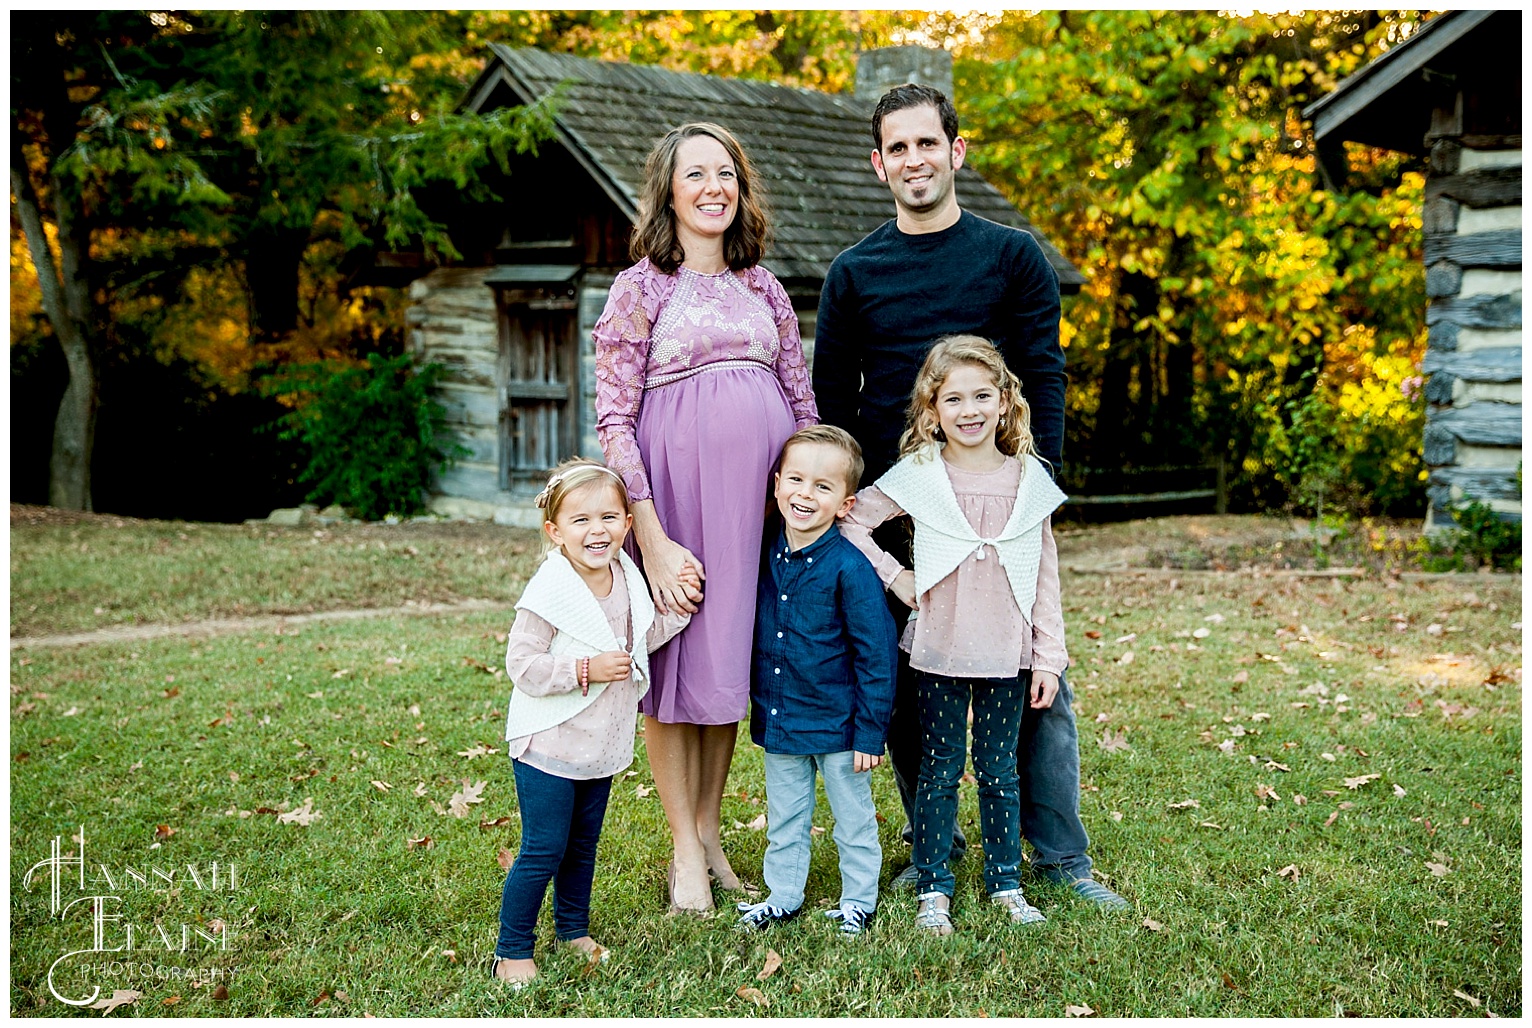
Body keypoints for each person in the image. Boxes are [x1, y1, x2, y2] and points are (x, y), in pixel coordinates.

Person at [813, 83, 1126, 909]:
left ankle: (1062, 858)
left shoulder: (1012, 256)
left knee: (1036, 674)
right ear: (879, 164)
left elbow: (1044, 371)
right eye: (899, 149)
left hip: (999, 500)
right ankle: (933, 845)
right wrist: (846, 503)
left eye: (929, 144)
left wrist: (1038, 485)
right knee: (912, 681)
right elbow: (831, 399)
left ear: (957, 152)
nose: (915, 160)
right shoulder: (854, 272)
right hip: (902, 505)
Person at [593, 122, 819, 914]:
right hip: (675, 506)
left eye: (727, 173)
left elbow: (801, 402)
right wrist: (648, 538)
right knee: (676, 669)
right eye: (697, 175)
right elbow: (615, 418)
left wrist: (806, 497)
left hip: (754, 507)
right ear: (669, 192)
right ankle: (683, 848)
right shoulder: (640, 289)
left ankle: (713, 834)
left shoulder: (765, 289)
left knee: (724, 671)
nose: (714, 187)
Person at [840, 336, 1066, 933]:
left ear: (1005, 401)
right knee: (939, 768)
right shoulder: (919, 475)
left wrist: (1049, 656)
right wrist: (897, 577)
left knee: (999, 771)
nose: (970, 411)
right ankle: (934, 887)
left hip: (1006, 650)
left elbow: (1044, 574)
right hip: (938, 646)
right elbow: (851, 521)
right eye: (953, 399)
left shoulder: (1029, 479)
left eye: (982, 396)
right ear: (932, 410)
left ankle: (1006, 884)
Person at [493, 459, 696, 986]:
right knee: (544, 847)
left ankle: (573, 930)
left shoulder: (625, 579)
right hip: (549, 744)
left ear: (628, 524)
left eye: (609, 517)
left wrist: (680, 610)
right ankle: (512, 949)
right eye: (580, 521)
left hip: (599, 744)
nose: (596, 530)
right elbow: (523, 665)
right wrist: (583, 669)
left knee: (583, 846)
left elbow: (636, 641)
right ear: (555, 532)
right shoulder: (549, 591)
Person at [736, 425, 898, 937]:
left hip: (842, 725)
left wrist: (871, 732)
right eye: (797, 480)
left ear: (846, 504)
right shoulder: (759, 552)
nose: (806, 494)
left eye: (823, 487)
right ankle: (782, 895)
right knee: (785, 817)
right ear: (777, 483)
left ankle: (859, 900)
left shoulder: (851, 568)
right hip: (783, 716)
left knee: (853, 818)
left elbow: (877, 656)